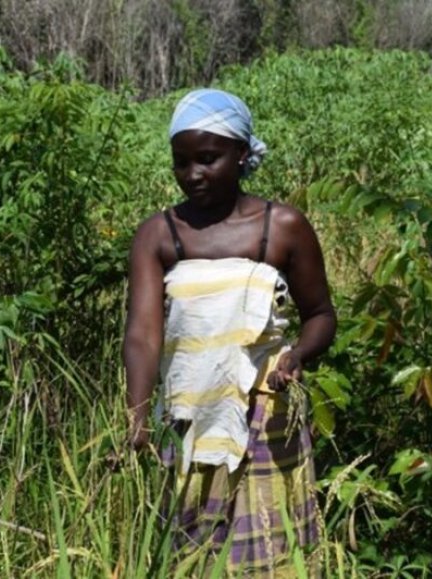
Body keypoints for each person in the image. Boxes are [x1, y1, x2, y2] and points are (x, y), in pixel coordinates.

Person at [123, 88, 336, 576]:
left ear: (241, 154)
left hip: (265, 414)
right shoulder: (158, 235)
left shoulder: (281, 227)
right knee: (191, 554)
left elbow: (322, 314)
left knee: (269, 552)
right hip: (188, 419)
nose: (191, 175)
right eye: (181, 162)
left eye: (207, 159)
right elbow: (142, 335)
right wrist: (136, 416)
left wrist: (298, 354)